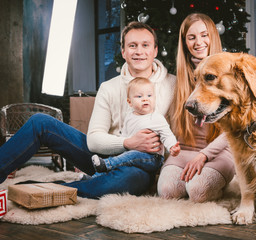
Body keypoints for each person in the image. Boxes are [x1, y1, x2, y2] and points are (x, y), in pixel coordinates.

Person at [0, 21, 176, 199]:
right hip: (102, 159)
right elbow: (93, 140)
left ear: (155, 50)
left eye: (145, 45)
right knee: (40, 122)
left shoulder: (173, 85)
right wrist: (127, 143)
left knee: (126, 180)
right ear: (123, 52)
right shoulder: (108, 87)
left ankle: (47, 189)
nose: (139, 51)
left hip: (140, 167)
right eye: (132, 45)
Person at [157, 13, 235, 203]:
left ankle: (216, 186)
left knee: (199, 191)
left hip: (218, 154)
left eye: (204, 35)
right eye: (191, 37)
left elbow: (235, 127)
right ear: (185, 43)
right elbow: (165, 121)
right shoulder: (177, 81)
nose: (198, 42)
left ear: (213, 37)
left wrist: (204, 155)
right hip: (183, 150)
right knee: (168, 192)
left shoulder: (228, 76)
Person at [91, 77, 180, 174]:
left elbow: (167, 135)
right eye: (139, 96)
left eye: (149, 95)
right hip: (131, 153)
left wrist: (172, 146)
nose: (145, 99)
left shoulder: (156, 118)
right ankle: (95, 177)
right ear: (129, 102)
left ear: (155, 98)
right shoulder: (129, 117)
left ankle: (106, 164)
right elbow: (125, 136)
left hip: (153, 158)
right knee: (121, 159)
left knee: (130, 156)